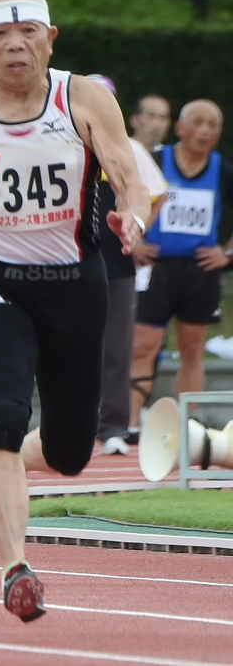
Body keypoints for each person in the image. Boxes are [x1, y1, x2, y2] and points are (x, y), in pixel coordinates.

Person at [0, 0, 149, 622]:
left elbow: (128, 171)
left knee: (69, 453)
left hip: (75, 286)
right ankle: (14, 567)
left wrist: (132, 218)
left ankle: (8, 458)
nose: (16, 45)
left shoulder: (81, 96)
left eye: (28, 31)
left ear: (50, 39)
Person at [129, 100, 232, 444]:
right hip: (155, 268)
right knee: (144, 346)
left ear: (218, 133)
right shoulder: (156, 163)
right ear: (181, 128)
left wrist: (226, 252)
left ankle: (186, 428)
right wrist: (135, 240)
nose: (205, 131)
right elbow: (123, 197)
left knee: (192, 347)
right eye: (198, 123)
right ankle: (130, 424)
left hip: (198, 270)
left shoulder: (221, 169)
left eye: (212, 125)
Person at [84, 75, 167, 457]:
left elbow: (157, 192)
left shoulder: (128, 148)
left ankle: (113, 426)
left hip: (115, 264)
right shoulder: (62, 145)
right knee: (65, 345)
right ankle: (70, 425)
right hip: (68, 262)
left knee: (117, 347)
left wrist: (137, 231)